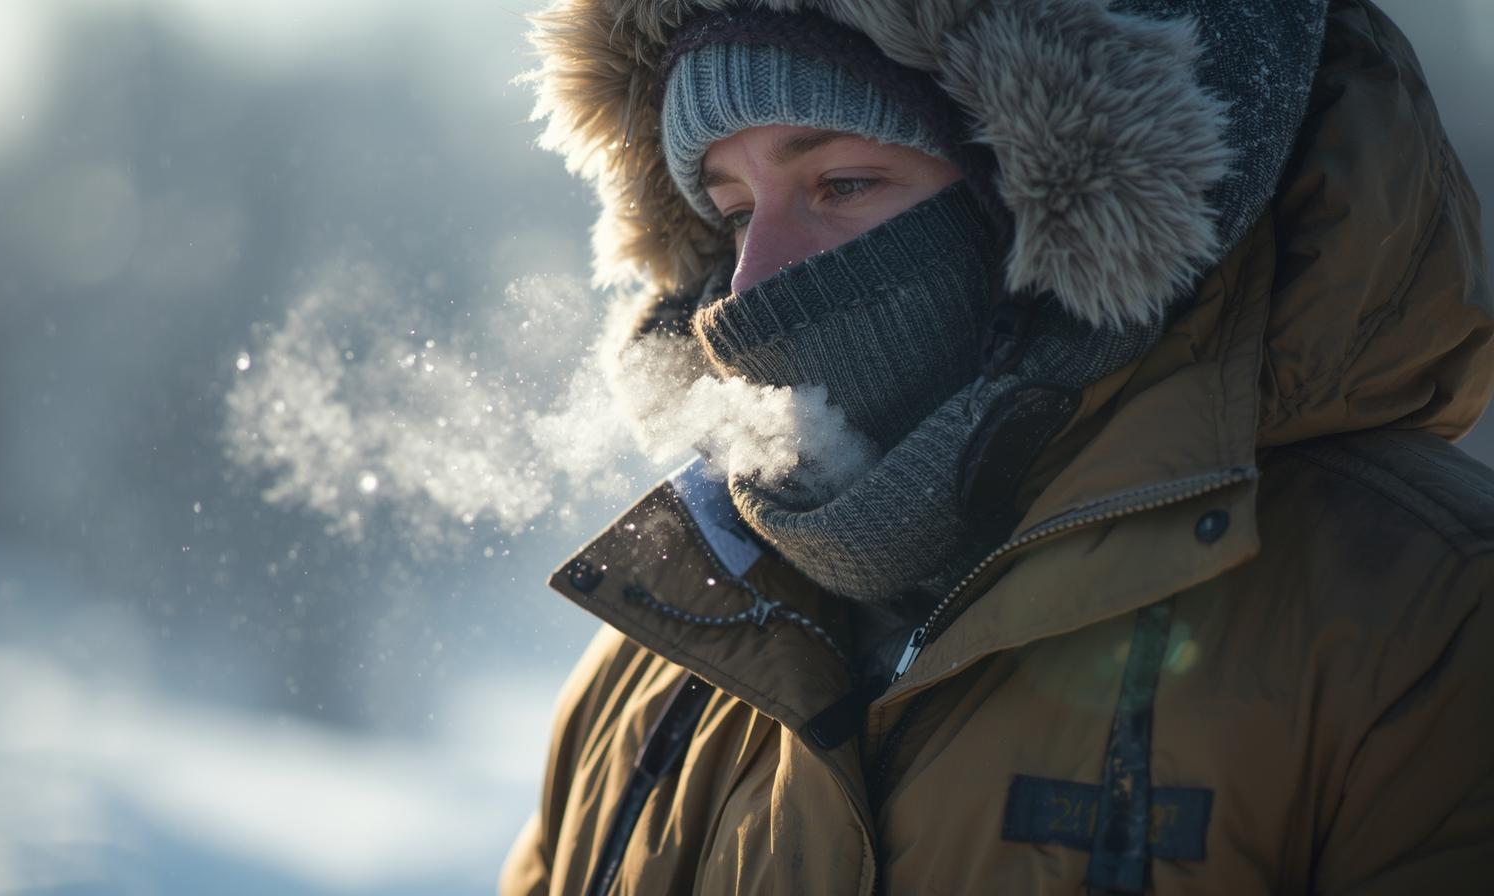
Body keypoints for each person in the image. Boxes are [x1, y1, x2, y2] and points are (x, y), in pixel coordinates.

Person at [503, 0, 1494, 892]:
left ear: (1046, 207)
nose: (754, 279)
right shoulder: (671, 656)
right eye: (731, 211)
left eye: (841, 181)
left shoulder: (1421, 621)